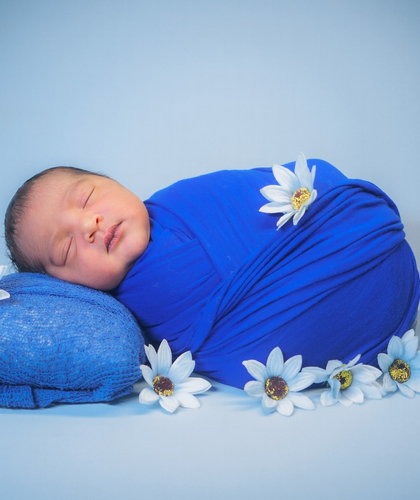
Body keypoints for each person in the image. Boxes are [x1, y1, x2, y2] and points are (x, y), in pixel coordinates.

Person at [4, 155, 420, 388]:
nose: (89, 225)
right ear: (66, 287)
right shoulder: (124, 314)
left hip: (361, 231)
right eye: (67, 246)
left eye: (89, 197)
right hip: (368, 326)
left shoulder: (182, 198)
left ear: (113, 181)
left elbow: (279, 186)